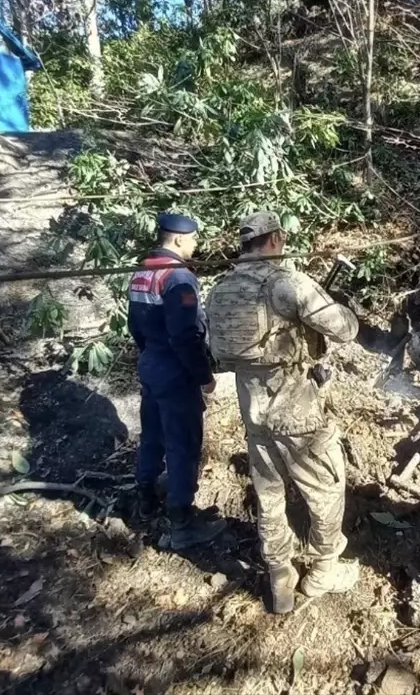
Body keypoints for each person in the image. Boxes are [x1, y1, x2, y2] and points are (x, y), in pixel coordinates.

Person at [205, 211, 360, 614]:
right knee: (326, 488)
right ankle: (324, 571)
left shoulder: (221, 289)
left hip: (252, 408)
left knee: (269, 493)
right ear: (275, 239)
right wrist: (339, 308)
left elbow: (219, 350)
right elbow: (345, 330)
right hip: (295, 408)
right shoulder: (287, 283)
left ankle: (280, 577)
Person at [128, 212, 226, 549]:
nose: (195, 245)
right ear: (180, 238)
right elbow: (185, 335)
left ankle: (145, 499)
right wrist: (204, 376)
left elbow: (134, 326)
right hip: (175, 370)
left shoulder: (143, 271)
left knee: (152, 434)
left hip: (150, 363)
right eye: (194, 239)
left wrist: (150, 356)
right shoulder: (179, 277)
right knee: (183, 444)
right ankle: (182, 523)